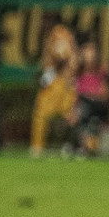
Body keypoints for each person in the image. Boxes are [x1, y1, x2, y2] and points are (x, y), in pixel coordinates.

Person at [30, 24, 77, 158]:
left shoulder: (72, 60)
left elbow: (72, 79)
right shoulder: (48, 64)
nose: (61, 48)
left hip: (66, 93)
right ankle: (37, 147)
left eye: (64, 43)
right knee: (39, 115)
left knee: (73, 116)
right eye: (58, 43)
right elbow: (43, 81)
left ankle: (73, 146)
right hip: (50, 94)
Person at [72, 40, 109, 157]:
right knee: (78, 112)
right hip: (82, 106)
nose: (88, 55)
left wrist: (87, 94)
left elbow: (104, 94)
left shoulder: (102, 71)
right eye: (86, 51)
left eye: (91, 51)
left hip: (98, 106)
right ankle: (82, 146)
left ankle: (84, 147)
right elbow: (73, 93)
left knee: (84, 109)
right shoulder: (78, 73)